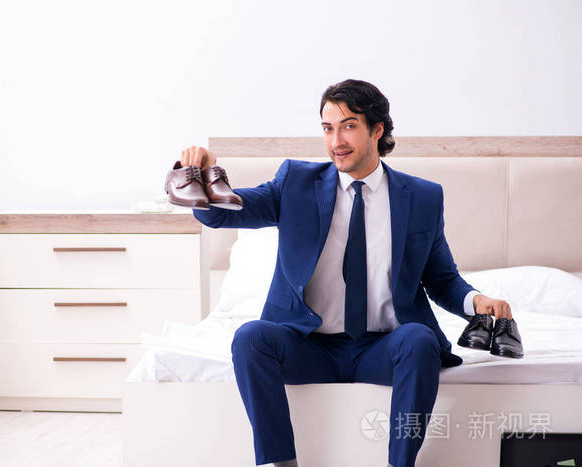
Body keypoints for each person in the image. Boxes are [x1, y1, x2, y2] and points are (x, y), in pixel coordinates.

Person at [181, 78, 513, 467]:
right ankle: (282, 464)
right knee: (250, 338)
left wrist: (477, 301)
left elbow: (441, 278)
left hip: (380, 348)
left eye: (349, 125)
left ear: (377, 130)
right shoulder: (295, 183)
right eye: (328, 128)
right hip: (309, 347)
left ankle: (399, 464)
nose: (336, 140)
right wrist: (201, 173)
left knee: (419, 340)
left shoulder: (422, 197)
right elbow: (222, 213)